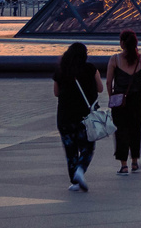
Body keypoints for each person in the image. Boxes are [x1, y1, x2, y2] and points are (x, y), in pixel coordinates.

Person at [53, 42, 103, 192]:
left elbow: (56, 93)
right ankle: (80, 170)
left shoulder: (61, 70)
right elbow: (100, 88)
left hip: (64, 118)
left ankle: (74, 181)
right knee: (88, 146)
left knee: (70, 150)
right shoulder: (90, 69)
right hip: (85, 117)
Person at [104, 29, 141, 175]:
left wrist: (112, 96)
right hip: (136, 98)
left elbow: (108, 81)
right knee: (136, 129)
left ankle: (123, 165)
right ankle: (135, 162)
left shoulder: (114, 59)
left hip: (119, 100)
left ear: (122, 43)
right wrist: (139, 91)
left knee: (121, 131)